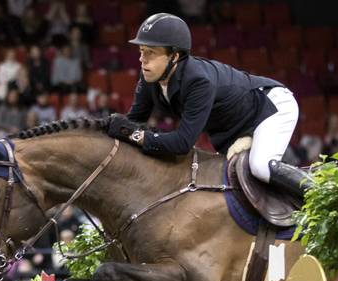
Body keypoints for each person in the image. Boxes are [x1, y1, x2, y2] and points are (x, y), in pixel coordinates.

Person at [107, 13, 308, 198]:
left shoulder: (198, 81)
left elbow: (182, 143)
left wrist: (134, 135)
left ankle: (323, 194)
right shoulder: (149, 78)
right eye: (141, 51)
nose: (142, 60)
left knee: (260, 167)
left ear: (174, 57)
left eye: (150, 52)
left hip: (270, 107)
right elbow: (133, 121)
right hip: (234, 129)